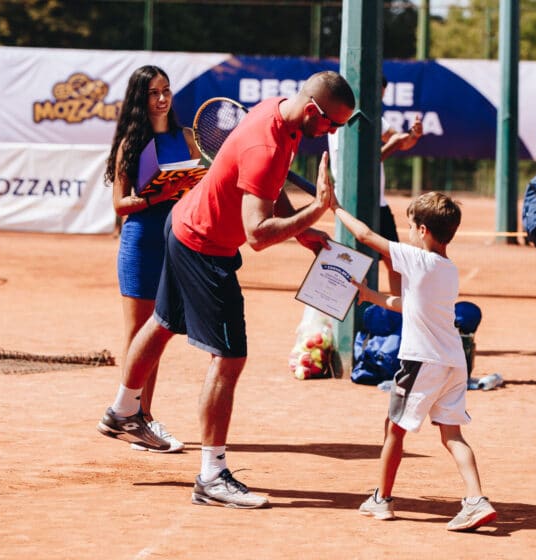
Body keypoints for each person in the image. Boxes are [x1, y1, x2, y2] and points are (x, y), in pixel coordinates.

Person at [97, 71, 356, 507]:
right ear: (314, 110)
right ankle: (212, 476)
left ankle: (123, 410)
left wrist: (303, 232)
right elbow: (257, 234)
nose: (332, 131)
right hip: (204, 246)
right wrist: (314, 213)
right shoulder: (266, 144)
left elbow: (271, 186)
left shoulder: (281, 114)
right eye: (333, 123)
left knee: (163, 322)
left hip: (184, 226)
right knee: (230, 357)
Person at [334, 191, 497, 532]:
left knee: (394, 427)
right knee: (452, 435)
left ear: (423, 230)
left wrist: (333, 206)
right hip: (453, 363)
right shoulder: (448, 269)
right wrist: (372, 296)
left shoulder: (416, 258)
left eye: (410, 226)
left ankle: (382, 499)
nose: (407, 232)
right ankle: (476, 500)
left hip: (422, 361)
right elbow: (410, 306)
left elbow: (365, 235)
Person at [104, 65, 201, 453]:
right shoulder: (131, 143)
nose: (162, 99)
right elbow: (120, 204)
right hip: (141, 242)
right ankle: (136, 417)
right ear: (139, 99)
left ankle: (140, 417)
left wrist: (192, 185)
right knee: (138, 334)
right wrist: (159, 195)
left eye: (166, 91)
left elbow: (202, 184)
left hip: (175, 240)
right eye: (153, 93)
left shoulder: (187, 138)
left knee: (159, 332)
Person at [327, 76, 422, 295]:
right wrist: (392, 146)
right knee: (351, 262)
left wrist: (414, 136)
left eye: (381, 96)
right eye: (377, 94)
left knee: (395, 262)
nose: (378, 100)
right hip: (351, 203)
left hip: (378, 203)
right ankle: (348, 308)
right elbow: (360, 165)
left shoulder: (374, 117)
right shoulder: (344, 119)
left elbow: (401, 140)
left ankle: (398, 310)